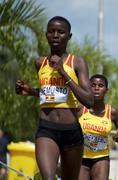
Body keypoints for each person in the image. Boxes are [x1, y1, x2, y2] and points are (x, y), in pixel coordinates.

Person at [15, 16, 94, 180]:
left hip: (72, 131)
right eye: (52, 31)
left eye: (61, 32)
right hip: (47, 129)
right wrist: (29, 90)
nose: (56, 35)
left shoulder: (77, 63)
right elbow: (51, 93)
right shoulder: (40, 63)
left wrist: (63, 72)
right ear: (46, 35)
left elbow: (89, 100)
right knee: (48, 178)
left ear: (69, 36)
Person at [78, 74, 118, 180]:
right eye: (93, 85)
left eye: (100, 85)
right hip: (80, 158)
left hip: (101, 158)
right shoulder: (80, 109)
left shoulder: (112, 112)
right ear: (88, 88)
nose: (96, 88)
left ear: (106, 90)